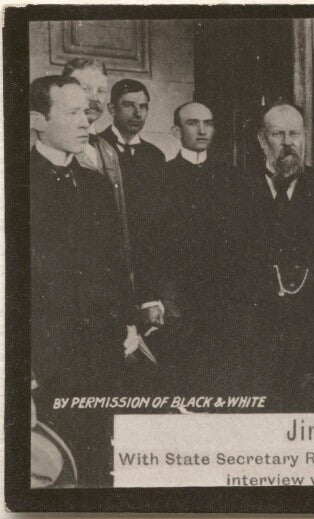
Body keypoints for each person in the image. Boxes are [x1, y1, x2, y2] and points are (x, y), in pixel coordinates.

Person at [29, 75, 141, 486]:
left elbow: (115, 262)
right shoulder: (16, 183)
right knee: (58, 471)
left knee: (103, 462)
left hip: (103, 352)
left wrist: (128, 323)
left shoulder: (95, 184)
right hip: (48, 358)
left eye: (87, 113)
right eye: (72, 113)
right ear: (37, 120)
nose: (86, 123)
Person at [213, 101, 314, 411]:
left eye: (294, 134)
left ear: (305, 137)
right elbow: (219, 263)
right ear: (261, 140)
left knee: (302, 420)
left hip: (308, 335)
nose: (287, 143)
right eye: (278, 134)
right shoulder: (232, 189)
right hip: (251, 336)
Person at [149, 101, 230, 392]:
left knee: (220, 371)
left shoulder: (230, 176)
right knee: (180, 371)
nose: (202, 130)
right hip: (177, 293)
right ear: (175, 130)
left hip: (222, 291)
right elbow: (151, 241)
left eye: (208, 123)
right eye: (193, 123)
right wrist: (156, 296)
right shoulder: (161, 175)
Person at [98, 79, 166, 322]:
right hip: (107, 262)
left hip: (144, 268)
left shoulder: (154, 156)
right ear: (112, 109)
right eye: (128, 105)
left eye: (144, 106)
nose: (138, 113)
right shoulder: (94, 147)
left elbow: (155, 225)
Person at [61, 58, 133, 278]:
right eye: (85, 89)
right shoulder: (56, 146)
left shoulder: (108, 149)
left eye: (101, 90)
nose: (94, 97)